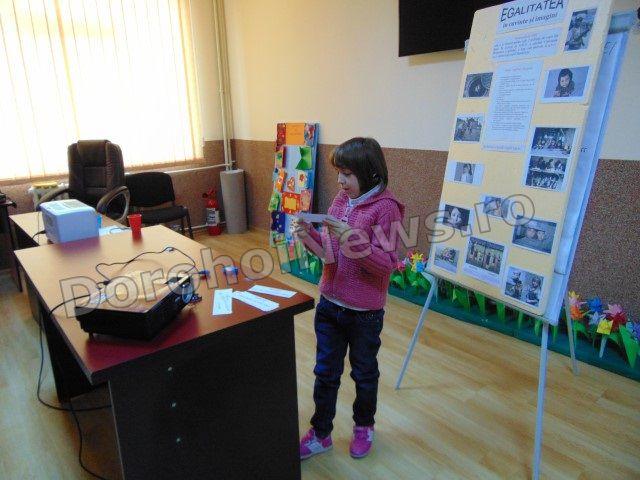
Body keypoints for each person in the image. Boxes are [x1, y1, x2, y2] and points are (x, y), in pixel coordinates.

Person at [293, 137, 405, 460]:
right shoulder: (341, 201)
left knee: (364, 374)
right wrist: (309, 237)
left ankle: (364, 427)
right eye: (338, 173)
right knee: (325, 373)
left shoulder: (386, 209)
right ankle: (321, 433)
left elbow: (386, 265)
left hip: (364, 314)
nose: (340, 181)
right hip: (330, 305)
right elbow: (329, 254)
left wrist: (353, 242)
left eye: (347, 174)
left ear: (369, 173)